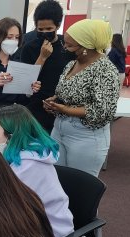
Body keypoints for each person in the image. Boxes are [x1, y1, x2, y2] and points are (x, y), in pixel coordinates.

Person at [0, 104, 74, 237]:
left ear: (11, 136)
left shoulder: (29, 166)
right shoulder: (16, 155)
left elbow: (2, 208)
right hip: (30, 232)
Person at [43, 19, 119, 177]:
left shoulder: (105, 69)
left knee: (80, 188)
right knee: (56, 181)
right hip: (59, 129)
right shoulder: (71, 64)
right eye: (65, 43)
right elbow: (65, 91)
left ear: (86, 46)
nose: (65, 48)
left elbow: (103, 111)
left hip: (86, 135)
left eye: (70, 45)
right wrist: (55, 101)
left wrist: (67, 110)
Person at [20, 0, 76, 134]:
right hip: (36, 107)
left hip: (63, 106)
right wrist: (42, 57)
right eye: (40, 29)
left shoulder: (67, 46)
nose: (44, 32)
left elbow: (74, 75)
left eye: (49, 29)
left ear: (58, 26)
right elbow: (26, 81)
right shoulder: (29, 47)